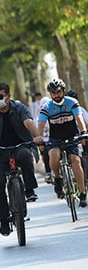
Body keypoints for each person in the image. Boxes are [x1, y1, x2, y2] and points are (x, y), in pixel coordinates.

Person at [0, 81, 42, 236]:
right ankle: (3, 219)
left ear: (8, 96)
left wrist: (37, 136)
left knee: (25, 156)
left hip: (20, 146)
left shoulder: (19, 108)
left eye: (0, 96)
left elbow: (28, 122)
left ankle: (29, 189)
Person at [37, 78, 87, 206]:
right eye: (53, 93)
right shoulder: (46, 107)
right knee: (53, 155)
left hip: (72, 136)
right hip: (55, 138)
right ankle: (57, 178)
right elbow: (41, 123)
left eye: (58, 92)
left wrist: (83, 132)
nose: (56, 95)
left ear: (63, 91)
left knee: (76, 161)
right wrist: (40, 137)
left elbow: (79, 118)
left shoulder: (72, 102)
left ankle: (82, 193)